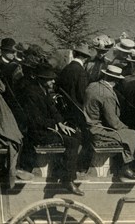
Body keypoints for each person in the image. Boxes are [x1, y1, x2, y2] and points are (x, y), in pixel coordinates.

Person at [17, 64, 84, 195]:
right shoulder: (31, 93)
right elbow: (35, 120)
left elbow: (53, 109)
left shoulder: (43, 90)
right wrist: (55, 124)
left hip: (46, 127)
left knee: (76, 135)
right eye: (50, 79)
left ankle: (63, 170)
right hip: (37, 133)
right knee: (72, 142)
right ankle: (67, 180)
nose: (53, 81)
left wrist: (60, 123)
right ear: (42, 79)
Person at [83, 65, 135, 181]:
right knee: (133, 135)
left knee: (129, 134)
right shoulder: (107, 95)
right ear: (116, 80)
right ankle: (125, 168)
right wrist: (126, 127)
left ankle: (124, 165)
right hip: (98, 130)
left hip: (89, 126)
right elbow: (113, 122)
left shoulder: (92, 86)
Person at [57, 43, 92, 108]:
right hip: (75, 108)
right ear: (85, 58)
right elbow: (82, 94)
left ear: (74, 54)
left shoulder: (65, 68)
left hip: (63, 105)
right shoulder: (82, 72)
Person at [0, 38, 23, 109]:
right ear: (3, 51)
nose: (15, 54)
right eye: (12, 52)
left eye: (15, 52)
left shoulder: (18, 65)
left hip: (16, 99)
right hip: (0, 100)